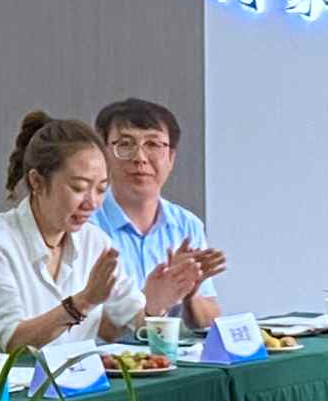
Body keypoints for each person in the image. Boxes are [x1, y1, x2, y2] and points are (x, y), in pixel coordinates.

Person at [0, 113, 212, 361]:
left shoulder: (94, 241)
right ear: (37, 182)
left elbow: (130, 322)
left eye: (101, 189)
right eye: (78, 187)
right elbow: (14, 346)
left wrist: (161, 298)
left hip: (73, 384)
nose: (92, 203)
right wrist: (83, 302)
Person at [91, 97, 228, 323]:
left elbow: (210, 320)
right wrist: (153, 301)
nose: (140, 158)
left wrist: (188, 292)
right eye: (125, 144)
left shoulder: (187, 225)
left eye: (153, 145)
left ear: (171, 158)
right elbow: (79, 321)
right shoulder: (85, 223)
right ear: (104, 155)